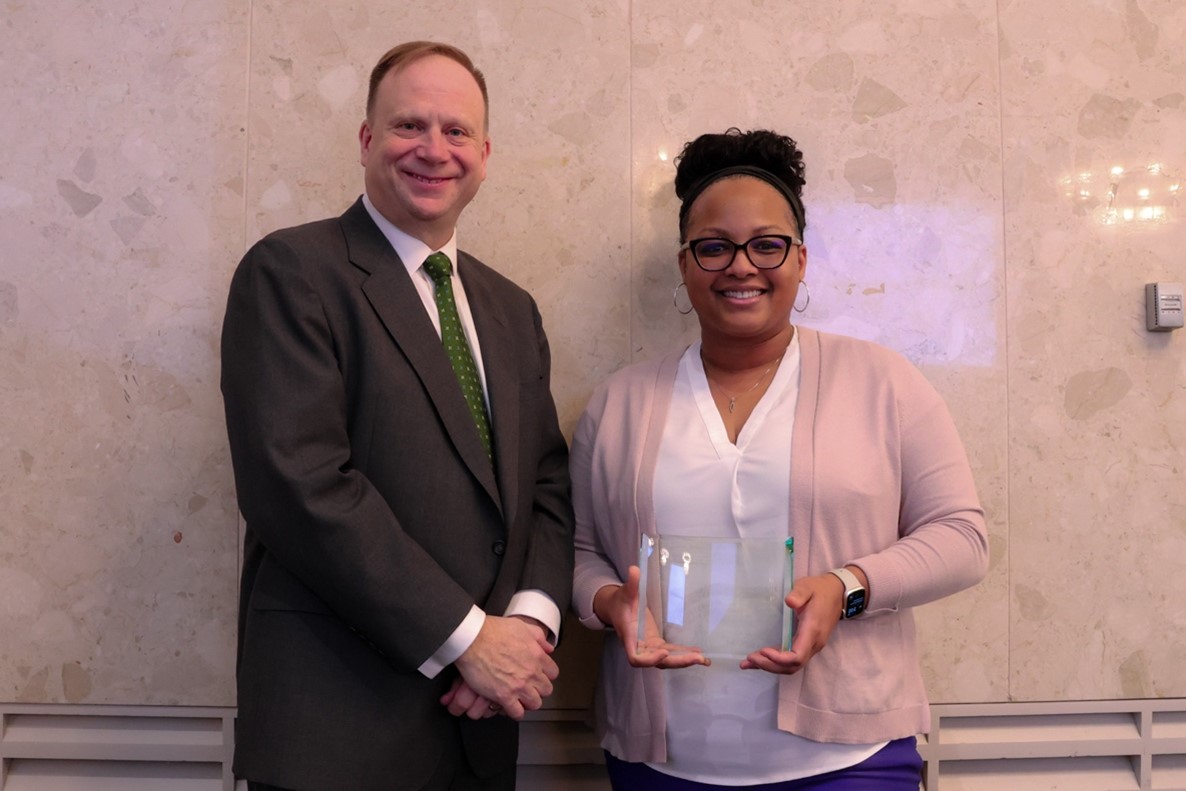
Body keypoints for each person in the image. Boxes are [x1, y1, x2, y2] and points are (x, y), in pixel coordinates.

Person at [571, 128, 989, 789]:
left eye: (767, 244)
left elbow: (963, 537)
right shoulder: (620, 404)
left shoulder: (883, 382)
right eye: (714, 248)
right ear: (684, 264)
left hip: (848, 760)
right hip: (661, 762)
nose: (741, 265)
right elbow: (580, 550)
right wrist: (609, 602)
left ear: (800, 259)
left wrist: (846, 587)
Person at [220, 41, 574, 791]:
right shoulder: (292, 273)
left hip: (479, 727)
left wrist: (527, 629)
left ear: (485, 152)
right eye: (410, 125)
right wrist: (470, 638)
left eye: (456, 132)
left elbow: (546, 484)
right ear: (366, 139)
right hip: (338, 735)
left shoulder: (512, 309)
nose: (433, 150)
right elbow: (302, 486)